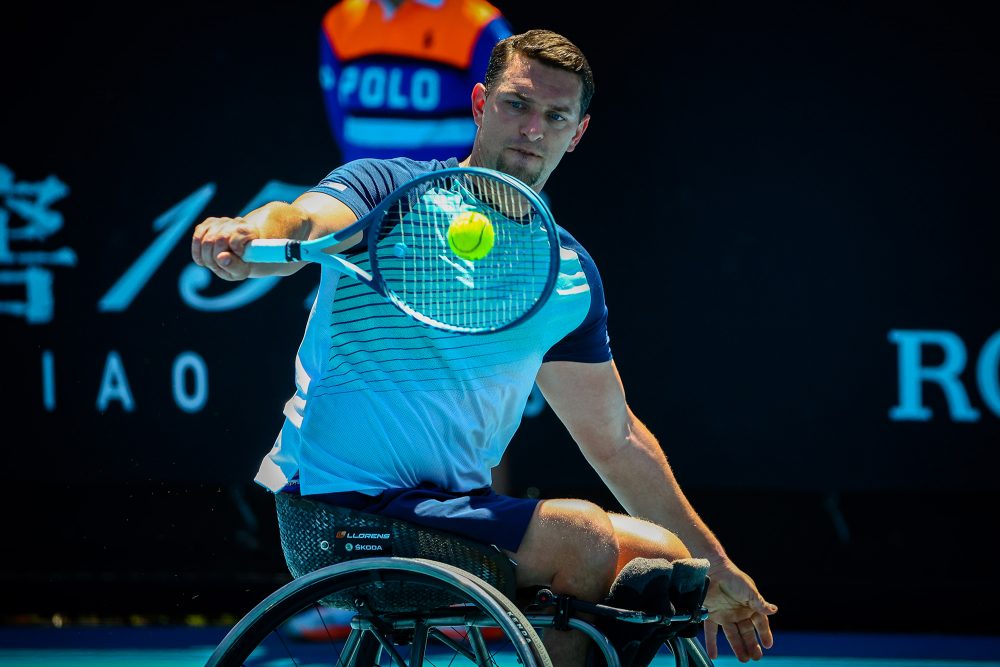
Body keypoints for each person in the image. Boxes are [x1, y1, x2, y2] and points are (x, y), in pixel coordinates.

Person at [192, 29, 777, 666]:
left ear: (576, 133)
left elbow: (616, 439)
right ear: (479, 104)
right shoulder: (385, 192)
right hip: (337, 514)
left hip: (447, 514)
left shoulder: (568, 274)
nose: (532, 129)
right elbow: (302, 219)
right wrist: (251, 232)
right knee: (578, 536)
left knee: (668, 557)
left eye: (555, 117)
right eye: (516, 105)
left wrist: (717, 566)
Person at [318, 0, 513, 163]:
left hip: (448, 194)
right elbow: (338, 117)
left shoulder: (477, 22)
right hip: (360, 192)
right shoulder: (339, 20)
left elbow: (506, 114)